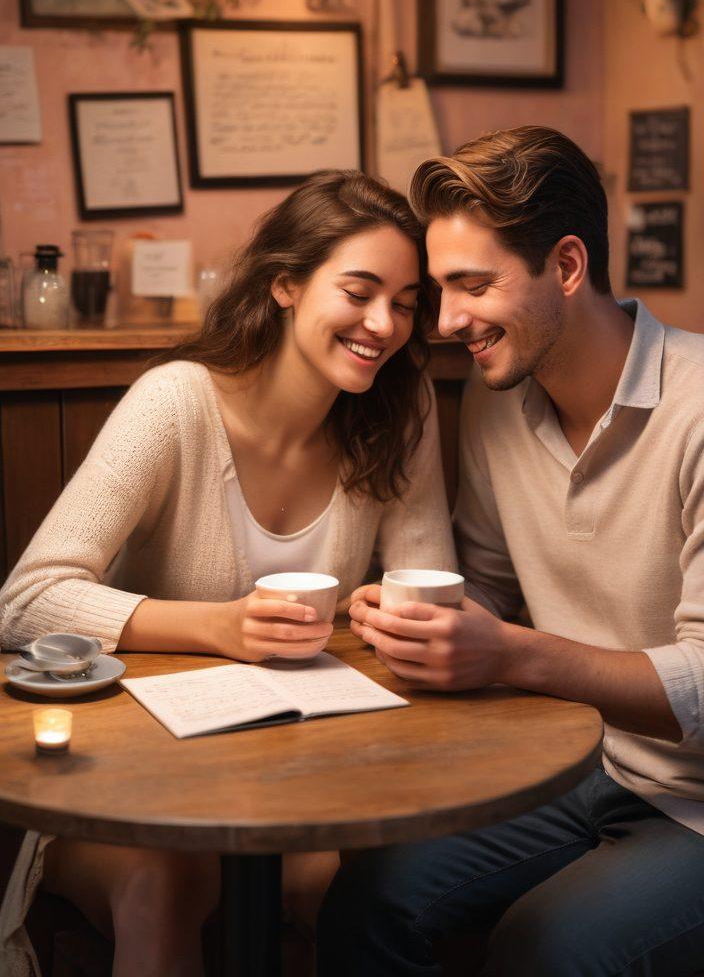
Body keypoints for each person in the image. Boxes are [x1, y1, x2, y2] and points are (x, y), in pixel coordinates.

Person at [320, 126, 704, 976]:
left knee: (543, 949)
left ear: (566, 265)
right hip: (589, 771)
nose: (445, 322)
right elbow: (489, 588)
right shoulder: (498, 398)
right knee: (369, 894)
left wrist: (509, 652)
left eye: (473, 285)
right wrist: (423, 622)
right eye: (441, 290)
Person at [0, 170, 455, 977]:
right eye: (359, 292)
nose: (383, 325)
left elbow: (432, 592)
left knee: (359, 891)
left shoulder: (398, 410)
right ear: (285, 284)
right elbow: (28, 599)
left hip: (312, 773)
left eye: (406, 302)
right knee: (164, 884)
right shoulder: (176, 402)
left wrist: (400, 618)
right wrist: (219, 626)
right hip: (134, 779)